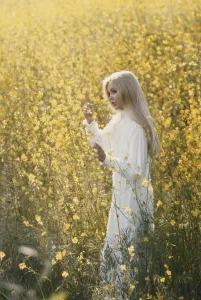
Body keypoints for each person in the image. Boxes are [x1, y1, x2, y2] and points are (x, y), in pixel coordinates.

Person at [83, 70, 161, 297]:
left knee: (130, 250)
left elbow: (136, 171)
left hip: (134, 199)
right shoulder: (118, 121)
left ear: (128, 90)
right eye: (109, 93)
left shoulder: (136, 127)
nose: (110, 97)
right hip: (120, 198)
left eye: (114, 91)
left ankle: (129, 293)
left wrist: (107, 160)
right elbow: (101, 143)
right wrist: (90, 123)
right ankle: (116, 294)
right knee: (117, 247)